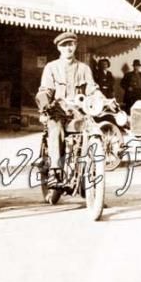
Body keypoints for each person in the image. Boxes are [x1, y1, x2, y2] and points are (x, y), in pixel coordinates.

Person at [35, 32, 109, 195]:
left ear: (75, 46)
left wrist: (101, 98)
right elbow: (45, 89)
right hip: (58, 110)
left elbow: (92, 89)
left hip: (79, 112)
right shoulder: (51, 67)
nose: (68, 48)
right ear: (59, 48)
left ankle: (94, 178)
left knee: (94, 130)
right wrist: (45, 103)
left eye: (71, 44)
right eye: (64, 45)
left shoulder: (84, 68)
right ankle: (55, 170)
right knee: (56, 130)